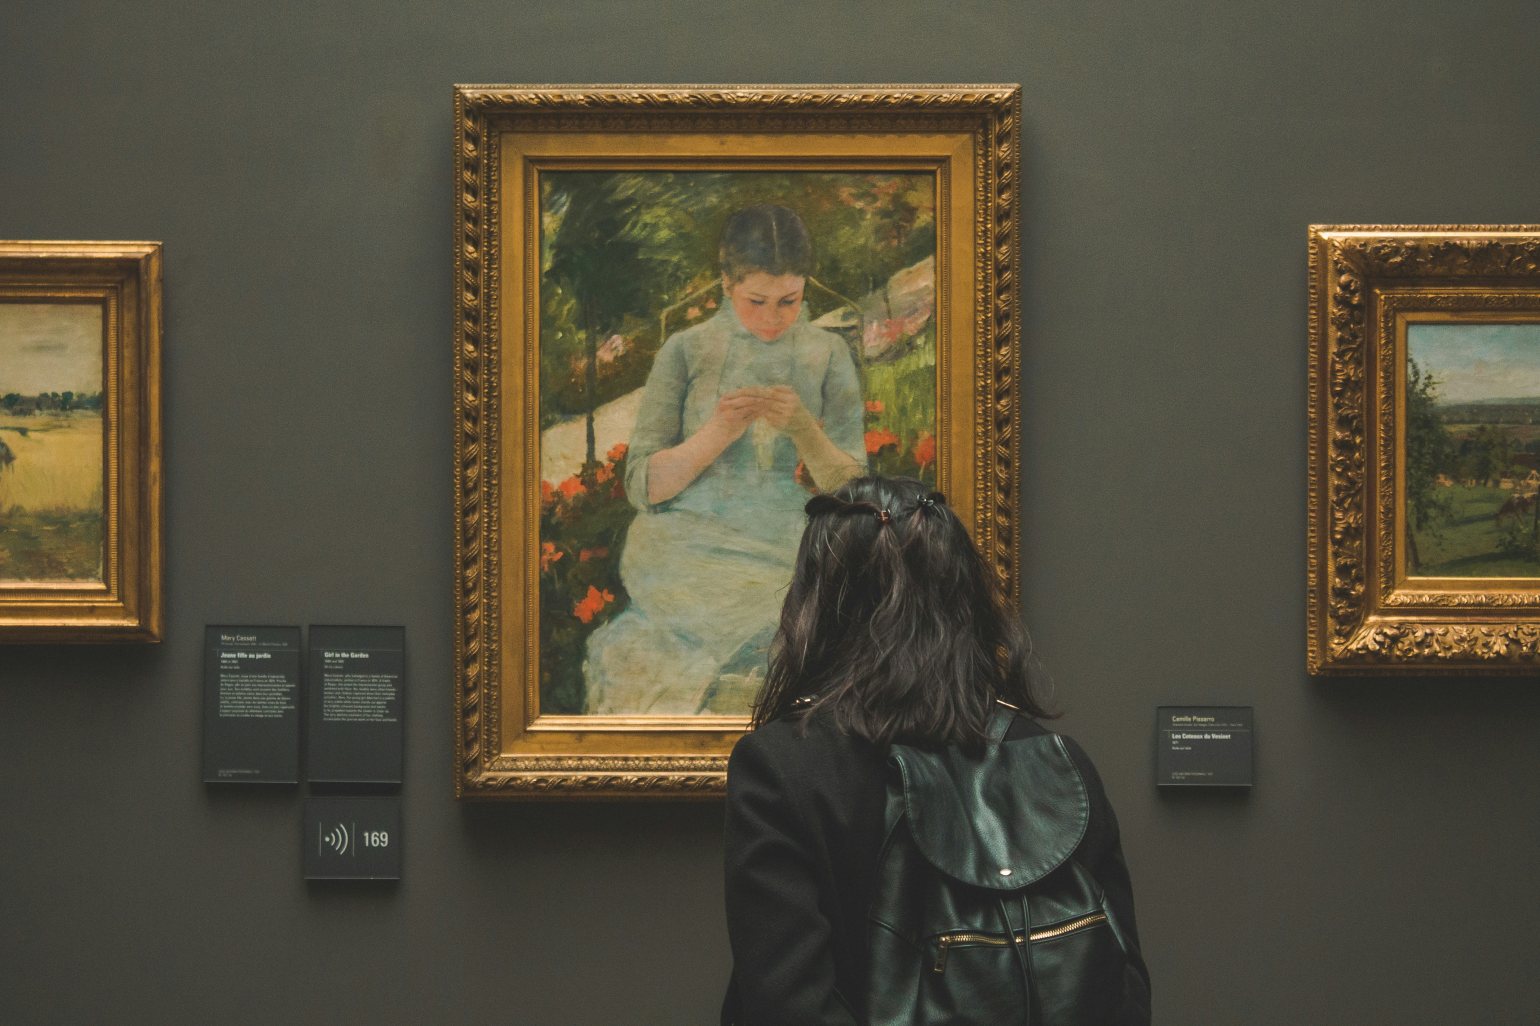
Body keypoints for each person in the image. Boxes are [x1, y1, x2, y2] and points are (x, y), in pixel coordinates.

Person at [721, 476, 1150, 1025]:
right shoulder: (1056, 758)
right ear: (962, 594)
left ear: (819, 602)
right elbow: (1123, 987)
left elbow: (787, 1003)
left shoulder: (781, 766)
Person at [583, 204, 866, 715]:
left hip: (786, 540)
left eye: (789, 301)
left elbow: (854, 490)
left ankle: (741, 681)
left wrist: (804, 428)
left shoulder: (826, 353)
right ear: (726, 284)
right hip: (685, 544)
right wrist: (715, 433)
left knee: (791, 602)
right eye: (755, 300)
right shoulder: (686, 349)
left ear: (805, 287)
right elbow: (644, 486)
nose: (772, 319)